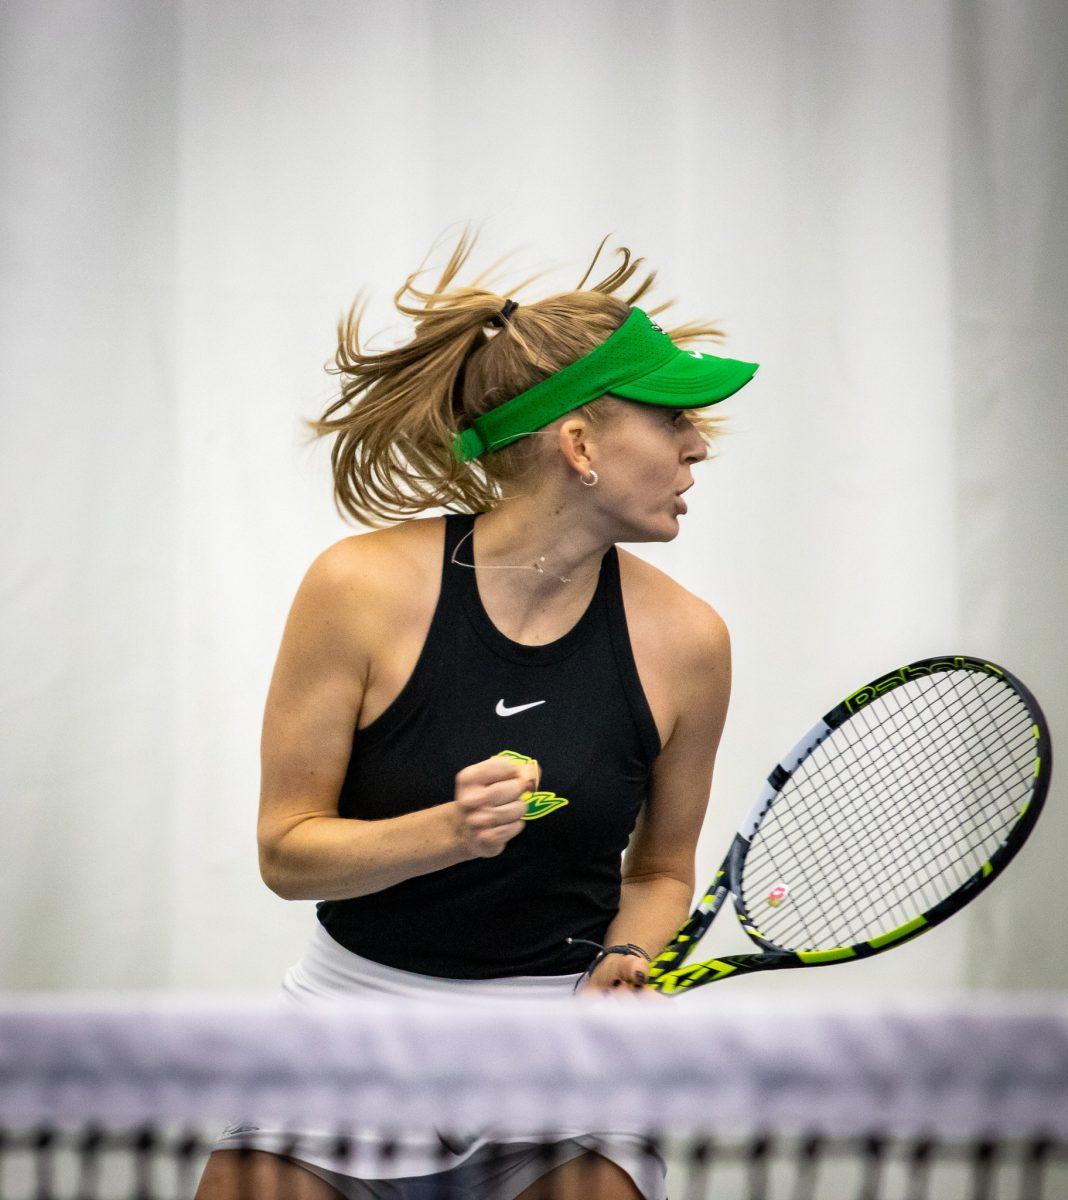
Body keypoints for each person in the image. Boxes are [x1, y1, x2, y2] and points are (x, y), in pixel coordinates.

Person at [195, 225, 755, 1200]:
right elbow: (286, 854)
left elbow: (663, 869)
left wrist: (628, 953)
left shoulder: (691, 643)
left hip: (560, 1049)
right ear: (579, 443)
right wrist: (447, 832)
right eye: (671, 419)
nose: (696, 445)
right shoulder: (357, 588)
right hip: (351, 1022)